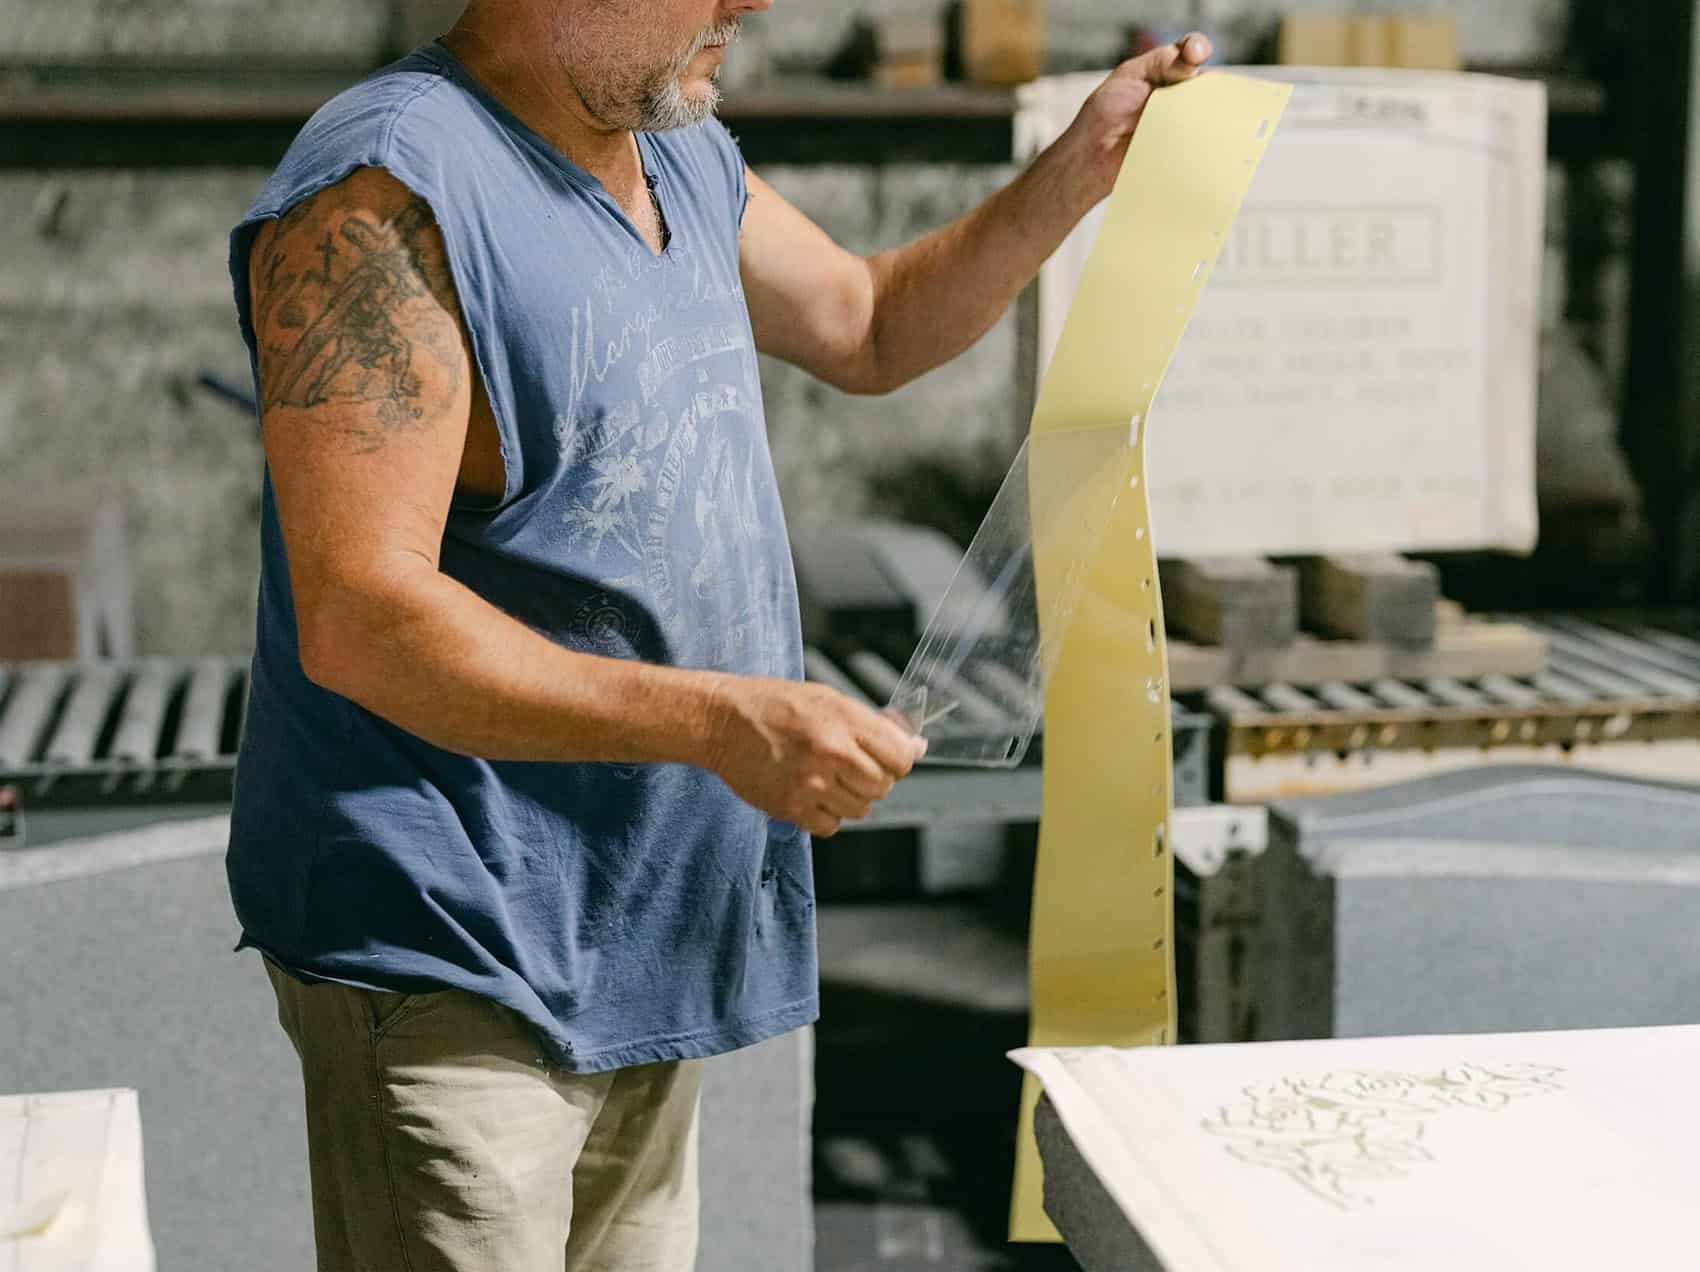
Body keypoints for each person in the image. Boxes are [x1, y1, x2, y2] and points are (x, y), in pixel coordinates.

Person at [227, 2, 1212, 1268]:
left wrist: (1075, 172)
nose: (750, 1)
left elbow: (866, 322)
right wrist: (721, 722)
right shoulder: (385, 195)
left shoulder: (671, 148)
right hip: (460, 950)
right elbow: (364, 619)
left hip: (637, 920)